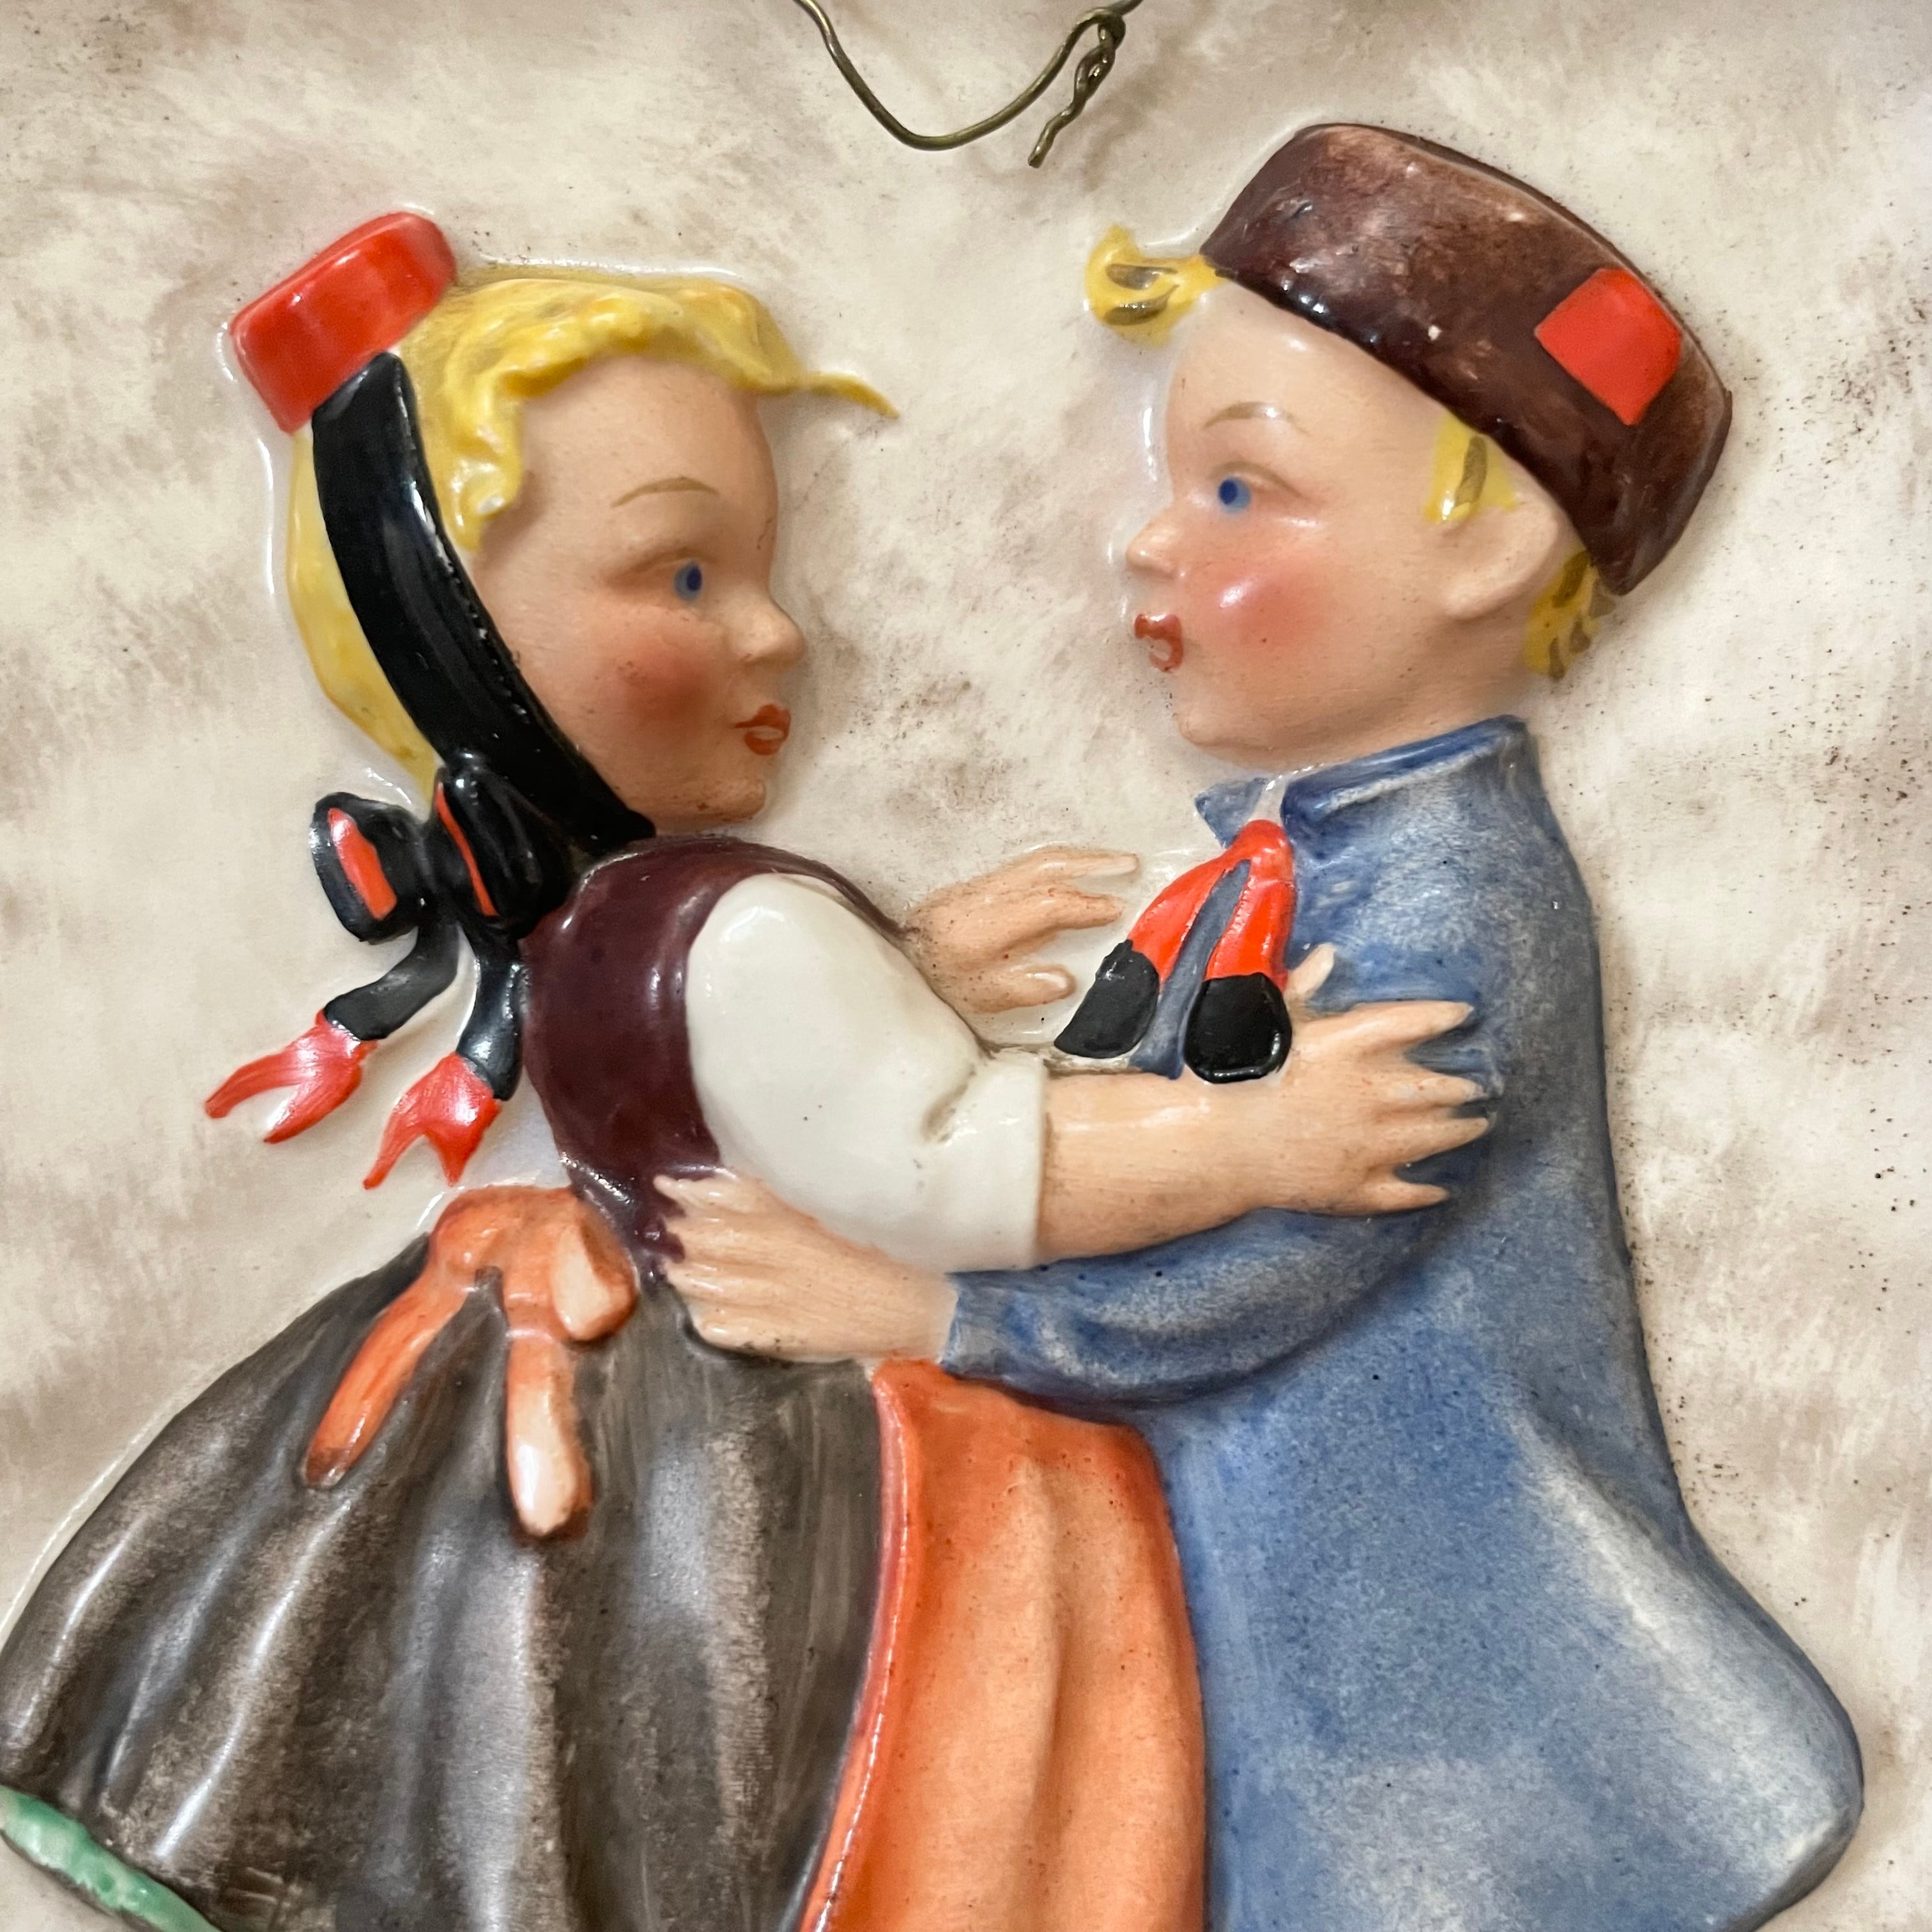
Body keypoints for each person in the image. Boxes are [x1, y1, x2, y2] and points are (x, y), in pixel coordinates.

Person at [0, 211, 1479, 1932]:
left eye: (761, 571)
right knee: (848, 1800)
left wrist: (899, 975)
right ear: (463, 640)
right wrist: (1259, 1146)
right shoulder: (738, 935)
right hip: (805, 1457)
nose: (778, 636)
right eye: (686, 579)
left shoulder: (612, 926)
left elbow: (741, 1070)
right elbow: (956, 1170)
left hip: (671, 1380)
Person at [661, 126, 1866, 1932]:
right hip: (1265, 1563)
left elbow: (1257, 1277)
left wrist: (934, 1316)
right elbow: (1132, 1137)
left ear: (1489, 548)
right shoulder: (1276, 871)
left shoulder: (1454, 907)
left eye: (1241, 489)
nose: (1152, 539)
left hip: (1438, 1656)